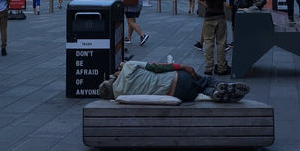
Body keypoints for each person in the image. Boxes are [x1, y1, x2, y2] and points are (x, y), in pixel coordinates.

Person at [98, 60, 250, 104]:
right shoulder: (129, 68)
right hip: (178, 79)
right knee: (204, 79)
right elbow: (157, 67)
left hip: (177, 94)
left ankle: (214, 93)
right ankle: (218, 86)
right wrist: (183, 66)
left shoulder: (121, 96)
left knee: (198, 90)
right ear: (112, 80)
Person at [195, 0, 237, 75]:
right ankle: (221, 67)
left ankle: (208, 68)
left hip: (208, 17)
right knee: (221, 43)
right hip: (220, 16)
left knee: (208, 43)